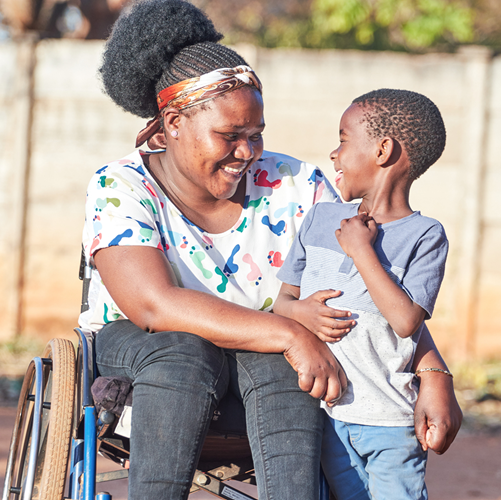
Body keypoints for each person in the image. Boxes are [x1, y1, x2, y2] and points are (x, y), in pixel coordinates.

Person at [79, 0, 461, 498]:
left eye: (256, 135)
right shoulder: (121, 187)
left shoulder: (296, 186)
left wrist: (432, 368)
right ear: (173, 121)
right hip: (144, 349)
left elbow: (368, 285)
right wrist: (289, 333)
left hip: (268, 356)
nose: (247, 153)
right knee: (183, 352)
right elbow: (153, 305)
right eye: (229, 135)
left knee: (283, 366)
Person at [275, 89, 454, 499]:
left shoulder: (425, 236)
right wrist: (302, 313)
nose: (334, 155)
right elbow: (281, 303)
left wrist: (361, 251)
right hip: (326, 417)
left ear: (383, 149)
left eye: (342, 140)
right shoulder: (319, 219)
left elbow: (407, 320)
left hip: (391, 421)